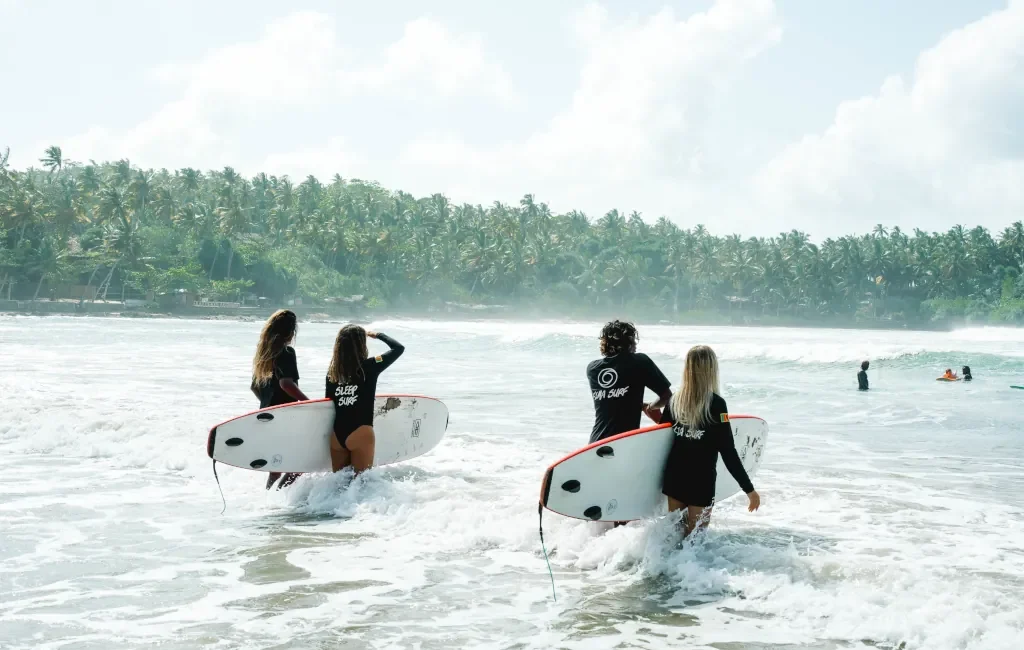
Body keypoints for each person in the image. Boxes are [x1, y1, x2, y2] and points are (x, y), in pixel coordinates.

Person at [644, 345, 760, 538]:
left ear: (687, 369)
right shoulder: (716, 404)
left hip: (674, 476)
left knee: (674, 535)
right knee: (695, 540)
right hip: (701, 479)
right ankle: (687, 569)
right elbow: (728, 451)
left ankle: (664, 567)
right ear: (711, 369)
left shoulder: (674, 401)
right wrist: (749, 490)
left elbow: (662, 435)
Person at [325, 325, 405, 474]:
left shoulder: (332, 373)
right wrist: (378, 334)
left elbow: (327, 405)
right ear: (361, 344)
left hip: (337, 436)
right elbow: (398, 348)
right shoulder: (369, 366)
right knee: (360, 484)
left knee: (338, 485)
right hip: (361, 432)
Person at [586, 320, 673, 445]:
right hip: (624, 443)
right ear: (628, 342)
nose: (636, 345)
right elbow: (667, 397)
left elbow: (615, 403)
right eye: (633, 340)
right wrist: (649, 407)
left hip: (595, 444)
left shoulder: (593, 369)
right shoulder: (640, 362)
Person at [251, 309, 309, 490]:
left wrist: (269, 403)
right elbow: (286, 384)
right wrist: (308, 403)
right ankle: (279, 498)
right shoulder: (286, 352)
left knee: (276, 467)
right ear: (291, 332)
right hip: (285, 416)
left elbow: (254, 387)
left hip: (266, 416)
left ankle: (269, 501)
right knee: (300, 464)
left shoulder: (264, 354)